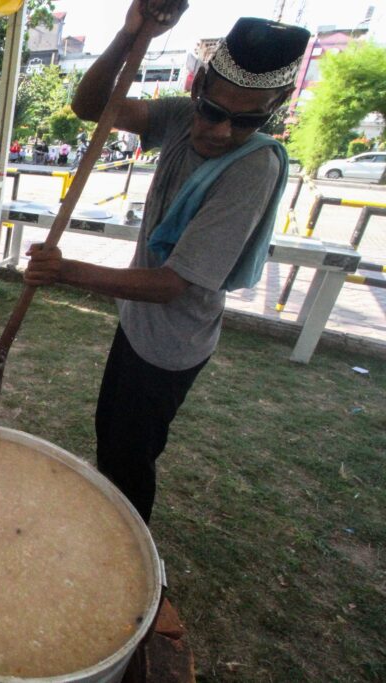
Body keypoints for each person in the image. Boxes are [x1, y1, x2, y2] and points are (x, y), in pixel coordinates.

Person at [24, 1, 309, 524]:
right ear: (199, 86)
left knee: (129, 459)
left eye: (248, 120)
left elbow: (172, 284)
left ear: (277, 107)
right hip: (136, 325)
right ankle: (108, 536)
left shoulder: (252, 168)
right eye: (215, 111)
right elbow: (92, 107)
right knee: (110, 439)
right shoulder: (181, 117)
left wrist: (64, 271)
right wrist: (128, 38)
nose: (222, 132)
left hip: (173, 345)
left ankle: (132, 564)